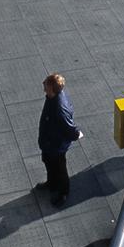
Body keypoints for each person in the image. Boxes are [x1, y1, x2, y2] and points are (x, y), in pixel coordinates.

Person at [36, 73, 83, 208]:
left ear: (51, 88)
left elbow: (69, 128)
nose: (43, 83)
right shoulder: (53, 97)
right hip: (49, 143)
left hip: (56, 146)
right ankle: (52, 183)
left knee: (59, 168)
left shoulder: (59, 108)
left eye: (45, 83)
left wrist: (76, 134)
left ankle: (63, 192)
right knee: (48, 162)